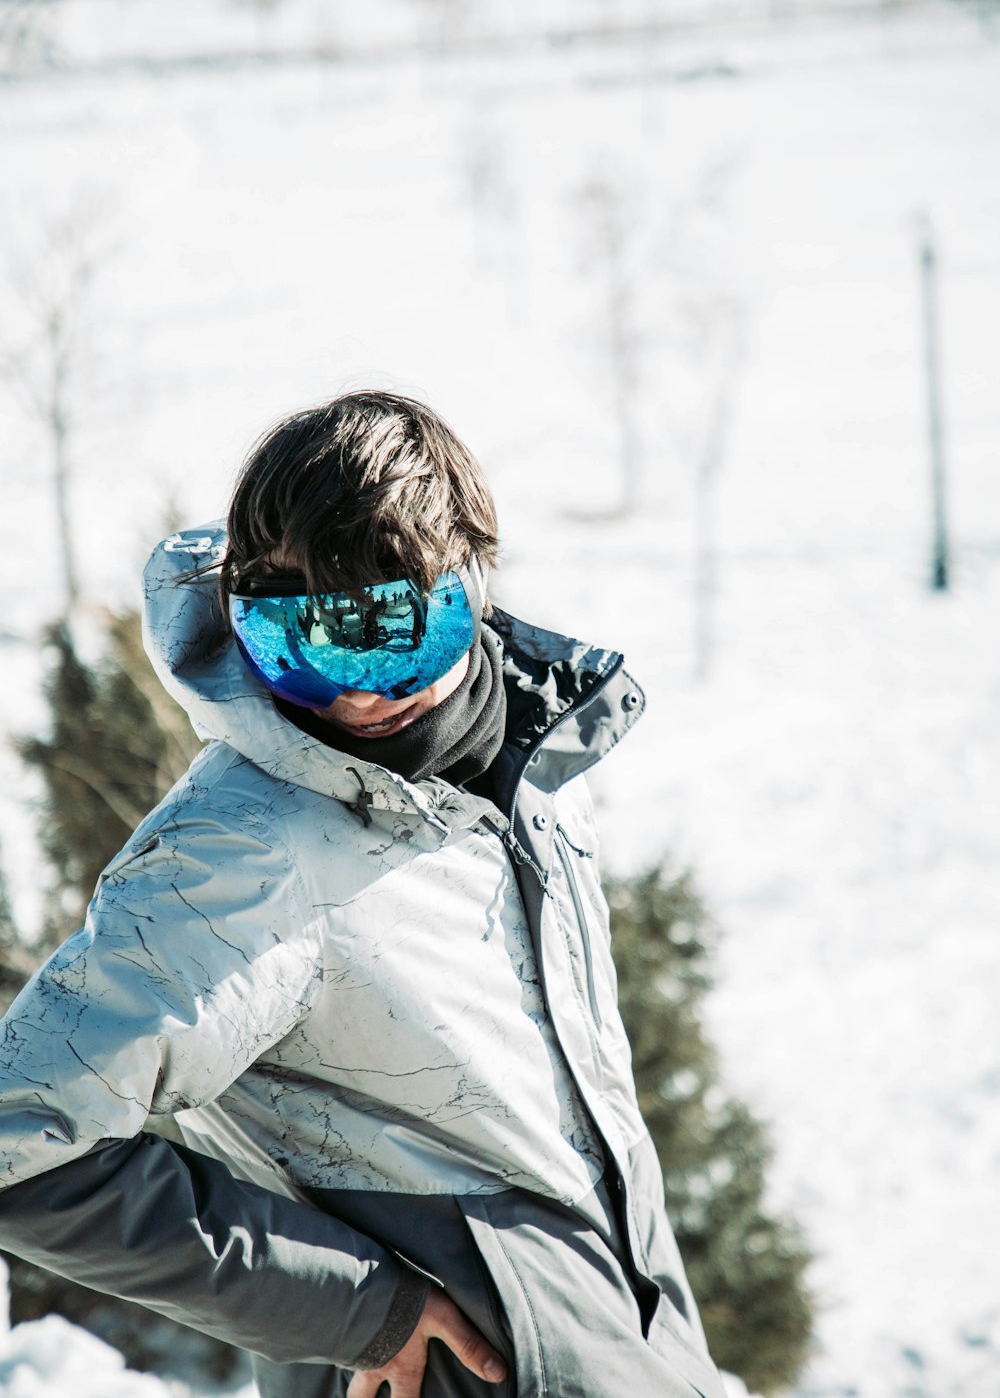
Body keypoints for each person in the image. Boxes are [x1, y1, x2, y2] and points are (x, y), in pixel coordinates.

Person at [0, 392, 725, 1398]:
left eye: (393, 633)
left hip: (610, 1334)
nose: (355, 694)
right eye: (298, 646)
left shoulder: (527, 776)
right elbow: (16, 1143)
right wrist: (353, 1307)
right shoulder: (242, 853)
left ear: (470, 580)